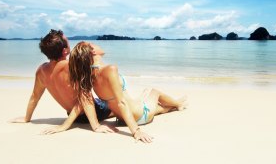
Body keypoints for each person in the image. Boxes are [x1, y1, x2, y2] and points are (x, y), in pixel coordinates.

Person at [55, 41, 187, 143]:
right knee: (152, 91)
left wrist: (91, 126)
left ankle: (171, 107)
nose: (98, 44)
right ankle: (178, 104)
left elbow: (84, 100)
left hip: (123, 118)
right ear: (93, 51)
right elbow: (122, 102)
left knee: (157, 105)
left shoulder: (89, 75)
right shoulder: (110, 69)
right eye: (94, 44)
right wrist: (136, 131)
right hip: (138, 115)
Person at [9, 29, 116, 134]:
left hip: (73, 115)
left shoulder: (41, 70)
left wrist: (27, 118)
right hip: (96, 112)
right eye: (68, 42)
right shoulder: (70, 66)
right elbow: (85, 96)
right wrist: (95, 126)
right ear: (65, 51)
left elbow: (34, 97)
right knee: (119, 101)